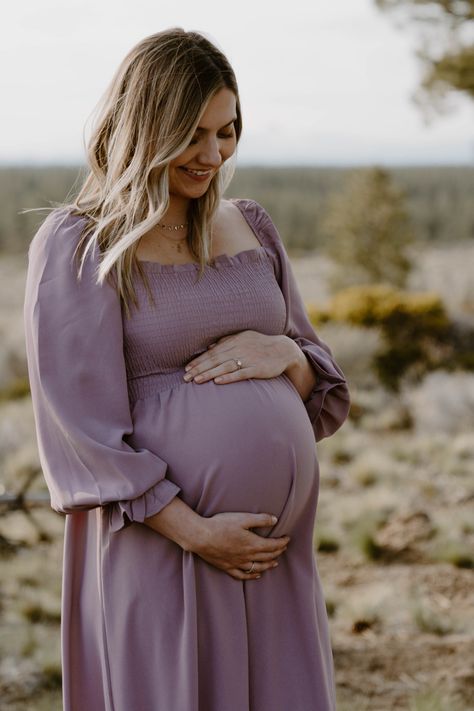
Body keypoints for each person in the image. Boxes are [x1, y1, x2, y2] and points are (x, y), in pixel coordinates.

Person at [23, 28, 350, 711]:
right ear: (146, 126)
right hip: (164, 547)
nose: (213, 155)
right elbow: (80, 428)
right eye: (192, 133)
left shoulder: (251, 224)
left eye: (227, 131)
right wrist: (199, 533)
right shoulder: (83, 243)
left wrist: (286, 355)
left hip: (271, 556)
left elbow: (321, 379)